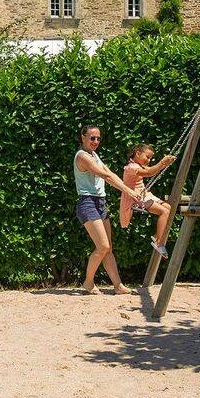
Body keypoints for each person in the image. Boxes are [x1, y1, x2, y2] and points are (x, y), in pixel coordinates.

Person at [74, 125, 145, 295]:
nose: (96, 141)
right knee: (103, 246)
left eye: (98, 138)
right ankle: (88, 283)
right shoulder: (83, 156)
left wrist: (128, 189)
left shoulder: (94, 155)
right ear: (83, 137)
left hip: (100, 202)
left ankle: (118, 286)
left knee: (108, 248)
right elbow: (104, 176)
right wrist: (128, 192)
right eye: (92, 138)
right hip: (87, 203)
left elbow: (110, 173)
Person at [120, 144, 177, 259]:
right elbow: (150, 172)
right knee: (164, 212)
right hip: (135, 198)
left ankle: (157, 235)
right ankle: (158, 242)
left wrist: (165, 163)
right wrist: (162, 162)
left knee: (168, 207)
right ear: (137, 154)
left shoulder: (139, 165)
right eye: (147, 156)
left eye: (150, 158)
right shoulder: (131, 167)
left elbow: (152, 170)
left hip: (143, 194)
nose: (149, 160)